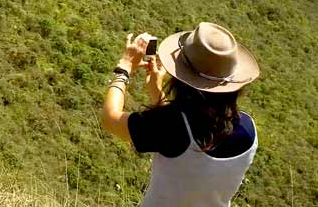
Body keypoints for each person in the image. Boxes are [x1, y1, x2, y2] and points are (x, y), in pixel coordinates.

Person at [99, 22, 260, 207]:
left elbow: (110, 118)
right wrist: (156, 92)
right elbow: (187, 133)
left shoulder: (170, 126)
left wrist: (124, 67)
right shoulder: (248, 129)